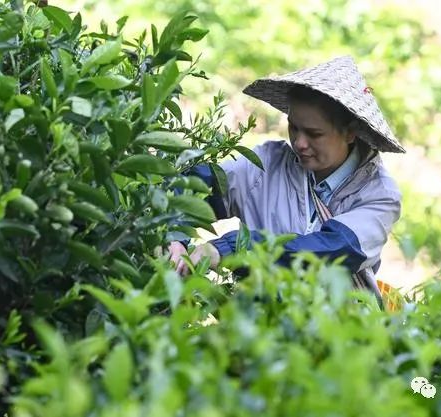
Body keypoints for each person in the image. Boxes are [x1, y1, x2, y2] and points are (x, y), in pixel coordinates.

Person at [168, 56, 404, 303]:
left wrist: (236, 247)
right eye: (294, 128)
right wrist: (174, 238)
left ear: (349, 133)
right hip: (260, 326)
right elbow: (194, 189)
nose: (300, 143)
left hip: (335, 331)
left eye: (314, 134)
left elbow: (332, 249)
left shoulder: (378, 194)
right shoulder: (266, 164)